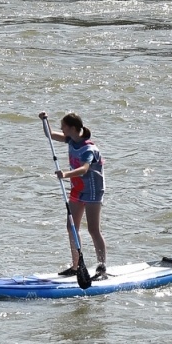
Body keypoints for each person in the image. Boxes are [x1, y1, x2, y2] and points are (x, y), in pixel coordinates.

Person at [40, 110, 106, 279]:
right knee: (71, 228)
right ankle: (76, 266)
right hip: (77, 189)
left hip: (92, 191)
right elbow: (50, 135)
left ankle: (101, 268)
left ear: (73, 128)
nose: (61, 130)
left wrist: (65, 175)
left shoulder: (89, 149)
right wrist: (43, 120)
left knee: (93, 229)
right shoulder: (70, 140)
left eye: (63, 127)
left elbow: (84, 169)